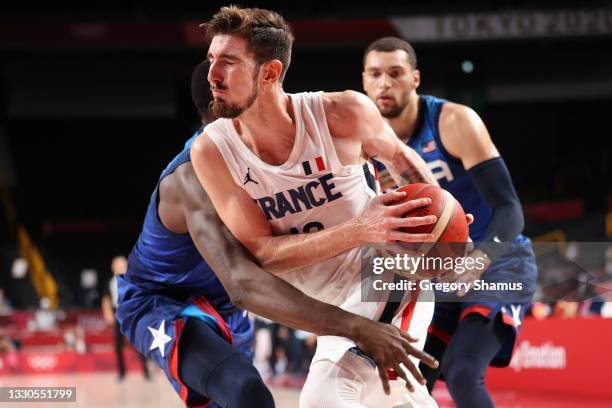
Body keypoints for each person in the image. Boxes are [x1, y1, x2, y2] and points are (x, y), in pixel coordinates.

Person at [116, 44, 444, 408]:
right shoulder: (198, 175)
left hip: (228, 302)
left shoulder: (280, 145)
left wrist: (438, 218)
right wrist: (355, 325)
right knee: (247, 392)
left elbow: (393, 158)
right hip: (167, 300)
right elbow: (245, 280)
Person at [191, 6, 475, 408]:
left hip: (386, 278)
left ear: (270, 73)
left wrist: (443, 223)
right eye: (212, 60)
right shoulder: (213, 150)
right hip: (329, 310)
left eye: (229, 62)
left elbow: (402, 161)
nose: (212, 75)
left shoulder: (341, 113)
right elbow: (263, 254)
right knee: (397, 400)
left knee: (324, 398)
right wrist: (360, 228)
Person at [362, 37, 538, 408]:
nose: (384, 83)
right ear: (364, 81)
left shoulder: (454, 121)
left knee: (461, 372)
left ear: (415, 79)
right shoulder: (361, 144)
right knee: (408, 384)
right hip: (433, 271)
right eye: (375, 74)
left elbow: (510, 209)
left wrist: (479, 261)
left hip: (496, 259)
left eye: (395, 73)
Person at [101, 255, 150, 381]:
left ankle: (146, 372)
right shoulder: (109, 282)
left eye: (122, 264)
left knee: (139, 343)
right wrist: (108, 313)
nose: (120, 267)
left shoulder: (133, 280)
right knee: (118, 345)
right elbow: (106, 299)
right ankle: (122, 373)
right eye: (117, 265)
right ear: (113, 267)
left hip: (132, 313)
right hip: (118, 314)